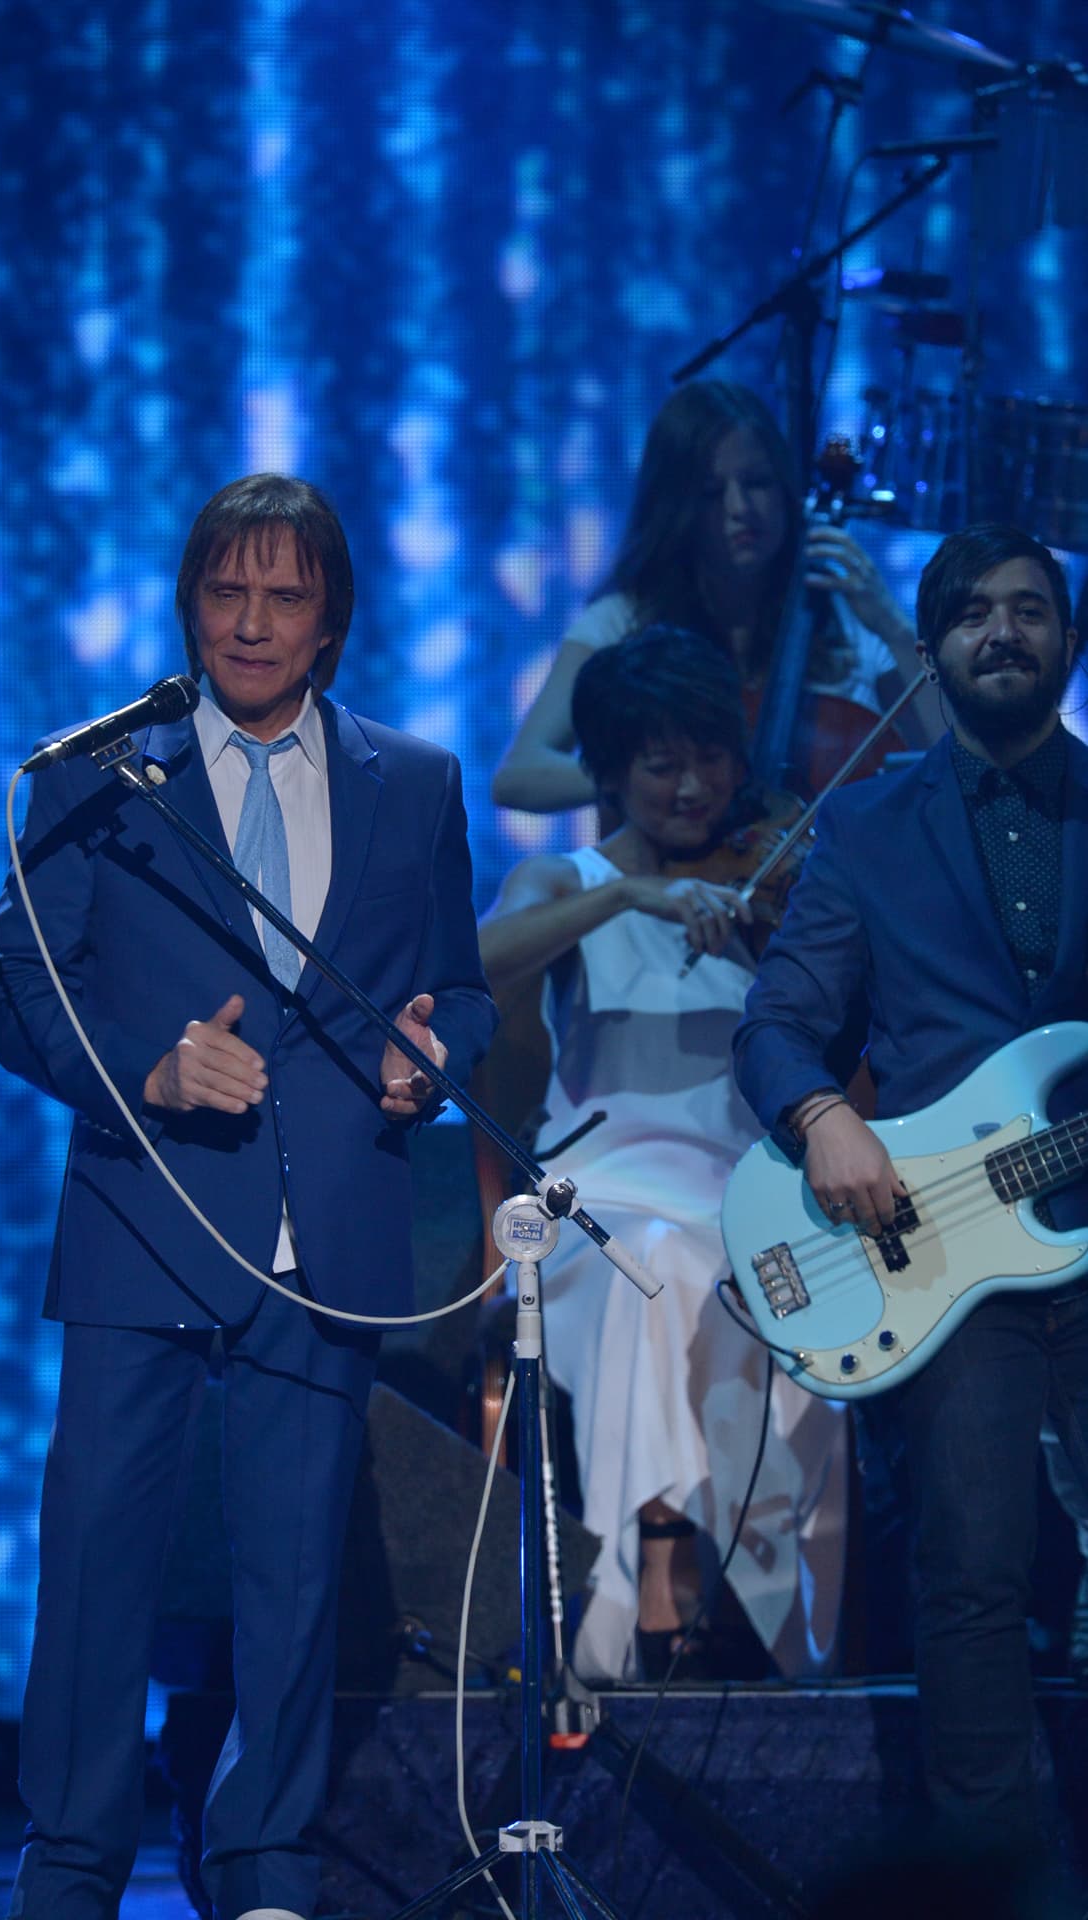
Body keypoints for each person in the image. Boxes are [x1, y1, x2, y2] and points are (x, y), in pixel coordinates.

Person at [0, 474, 497, 1920]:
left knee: (292, 1571)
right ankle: (72, 1862)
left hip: (325, 1229)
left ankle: (263, 1855)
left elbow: (459, 986)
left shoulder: (417, 781)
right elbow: (12, 986)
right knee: (93, 1566)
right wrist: (147, 1069)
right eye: (226, 592)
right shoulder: (102, 774)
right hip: (146, 1217)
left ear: (331, 622)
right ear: (189, 603)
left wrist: (434, 1053)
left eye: (284, 597)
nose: (251, 624)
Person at [733, 523, 1088, 1855]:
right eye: (974, 613)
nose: (1004, 630)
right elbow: (774, 1026)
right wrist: (823, 1116)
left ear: (1066, 641)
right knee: (974, 1577)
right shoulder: (869, 825)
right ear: (930, 647)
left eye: (1030, 609)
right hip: (945, 1255)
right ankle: (991, 1878)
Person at [478, 628, 847, 1683]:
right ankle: (665, 1570)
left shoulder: (769, 886)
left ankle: (738, 1602)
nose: (694, 788)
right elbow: (473, 966)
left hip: (747, 1199)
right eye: (659, 763)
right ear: (608, 771)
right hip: (595, 1196)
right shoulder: (565, 879)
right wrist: (626, 896)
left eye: (712, 760)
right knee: (652, 1264)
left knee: (724, 1272)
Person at [491, 379, 934, 814]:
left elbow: (950, 750)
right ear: (674, 506)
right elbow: (518, 776)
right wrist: (654, 775)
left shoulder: (846, 624)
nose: (741, 508)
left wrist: (895, 629)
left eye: (758, 482)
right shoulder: (622, 624)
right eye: (711, 492)